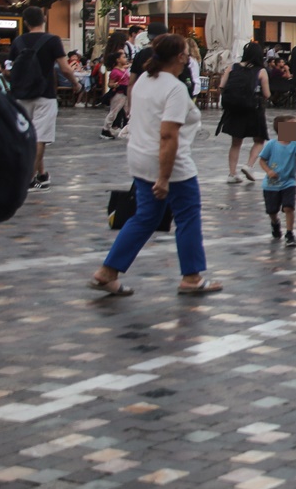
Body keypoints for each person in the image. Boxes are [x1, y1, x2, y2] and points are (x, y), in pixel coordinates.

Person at [88, 35, 223, 296]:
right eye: (186, 52)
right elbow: (168, 134)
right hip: (170, 163)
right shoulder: (173, 88)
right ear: (181, 57)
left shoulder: (143, 83)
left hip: (139, 157)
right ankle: (192, 277)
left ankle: (108, 271)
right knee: (188, 215)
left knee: (145, 217)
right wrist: (163, 177)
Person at [7, 6, 78, 190]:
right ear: (44, 19)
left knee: (27, 136)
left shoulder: (18, 41)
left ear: (25, 22)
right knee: (40, 138)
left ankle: (42, 175)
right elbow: (64, 68)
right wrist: (75, 83)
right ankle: (29, 179)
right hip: (45, 94)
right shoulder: (53, 40)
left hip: (21, 95)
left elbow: (8, 69)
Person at [216, 42, 272, 184]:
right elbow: (267, 94)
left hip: (234, 109)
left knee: (236, 142)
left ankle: (232, 173)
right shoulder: (261, 71)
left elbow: (222, 86)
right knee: (259, 140)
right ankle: (249, 165)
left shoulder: (232, 67)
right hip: (254, 109)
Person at [258, 115, 296, 247]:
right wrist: (269, 171)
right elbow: (262, 160)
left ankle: (290, 233)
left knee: (289, 207)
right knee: (272, 210)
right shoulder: (271, 144)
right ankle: (275, 223)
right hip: (271, 185)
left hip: (289, 182)